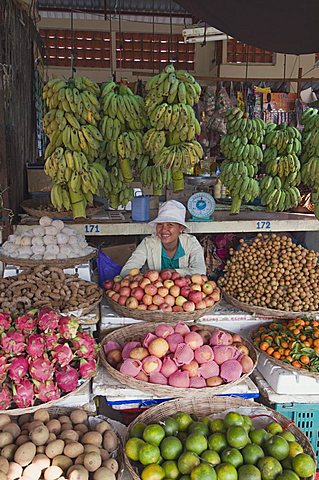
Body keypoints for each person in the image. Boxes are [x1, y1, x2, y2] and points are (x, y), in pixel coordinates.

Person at [121, 200, 206, 276]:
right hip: (153, 291)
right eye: (160, 224)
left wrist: (173, 272)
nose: (164, 229)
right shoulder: (148, 243)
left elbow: (200, 271)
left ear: (181, 228)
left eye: (170, 224)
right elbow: (127, 270)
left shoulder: (191, 243)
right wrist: (143, 278)